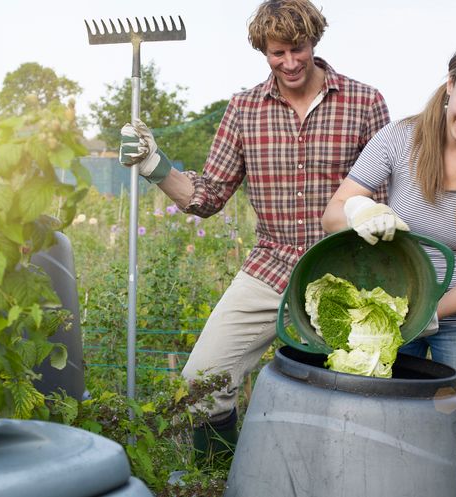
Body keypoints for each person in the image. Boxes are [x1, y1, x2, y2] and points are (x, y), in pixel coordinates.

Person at [120, 0, 390, 465]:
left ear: (314, 40)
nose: (289, 63)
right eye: (276, 53)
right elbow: (205, 197)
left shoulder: (364, 102)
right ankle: (219, 478)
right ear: (263, 51)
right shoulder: (245, 109)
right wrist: (155, 165)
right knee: (201, 383)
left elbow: (383, 198)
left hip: (347, 268)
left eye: (298, 49)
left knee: (354, 398)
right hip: (273, 265)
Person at [321, 37, 456, 497]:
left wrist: (427, 315)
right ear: (450, 83)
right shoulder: (400, 138)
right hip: (391, 312)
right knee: (385, 432)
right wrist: (358, 212)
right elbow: (333, 213)